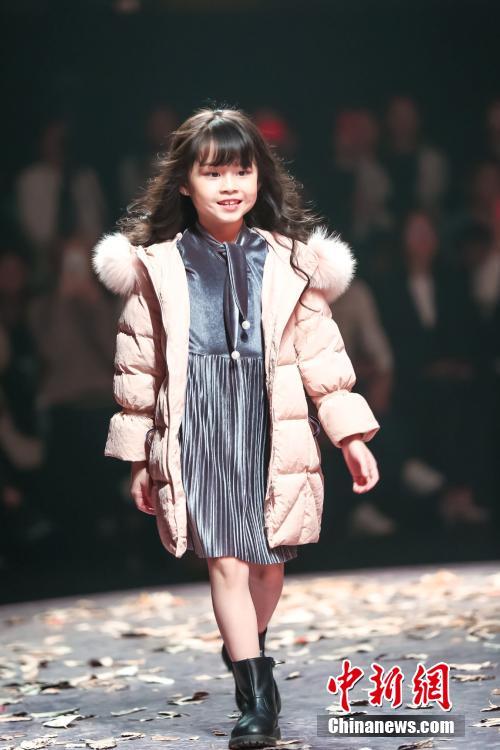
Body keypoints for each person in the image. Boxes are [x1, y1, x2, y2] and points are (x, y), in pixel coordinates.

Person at [92, 106, 381, 749]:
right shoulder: (156, 268)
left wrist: (351, 437)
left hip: (271, 423)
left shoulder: (292, 263)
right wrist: (139, 458)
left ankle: (245, 645)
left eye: (242, 170)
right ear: (184, 182)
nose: (230, 184)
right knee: (224, 560)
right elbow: (139, 369)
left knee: (267, 566)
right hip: (196, 423)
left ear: (260, 177)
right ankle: (256, 700)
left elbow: (323, 359)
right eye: (213, 171)